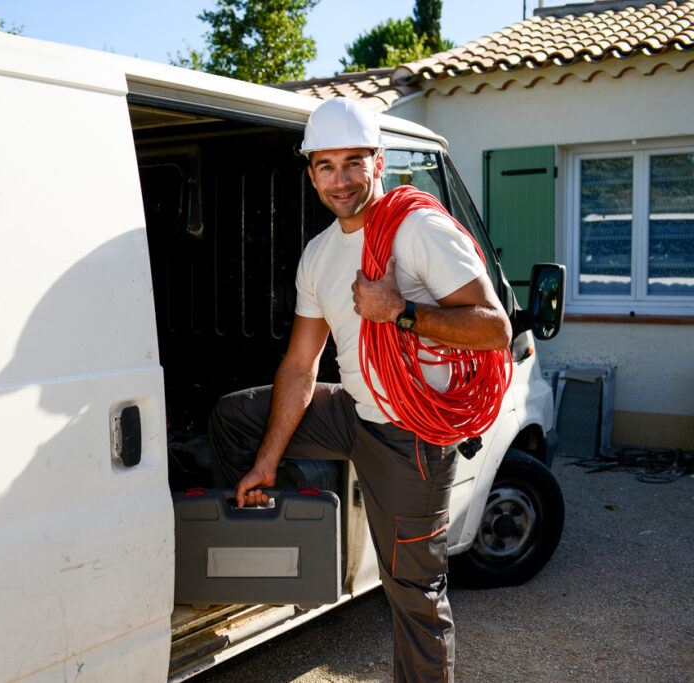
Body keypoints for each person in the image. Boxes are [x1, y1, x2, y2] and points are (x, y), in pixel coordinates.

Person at [207, 97, 512, 682]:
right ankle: (273, 546)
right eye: (326, 165)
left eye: (354, 162)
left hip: (410, 433)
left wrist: (400, 312)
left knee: (413, 593)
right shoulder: (320, 255)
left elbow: (494, 328)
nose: (341, 180)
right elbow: (301, 365)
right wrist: (267, 461)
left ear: (378, 163)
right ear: (311, 172)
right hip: (355, 409)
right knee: (235, 416)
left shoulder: (418, 230)